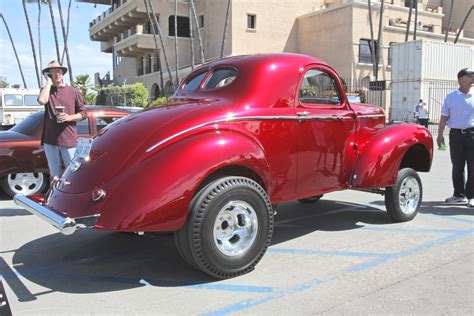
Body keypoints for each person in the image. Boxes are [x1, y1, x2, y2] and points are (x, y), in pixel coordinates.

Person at [38, 60, 86, 179]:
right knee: (54, 175)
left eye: (59, 71)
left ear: (62, 74)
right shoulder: (46, 91)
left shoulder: (73, 91)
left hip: (69, 139)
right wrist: (48, 82)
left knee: (72, 173)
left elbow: (83, 113)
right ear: (49, 75)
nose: (57, 74)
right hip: (50, 140)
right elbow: (42, 101)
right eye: (53, 72)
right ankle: (54, 197)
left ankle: (72, 197)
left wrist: (69, 117)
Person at [436, 68, 474, 207]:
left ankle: (471, 196)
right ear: (460, 79)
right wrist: (439, 135)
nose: (472, 79)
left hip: (472, 135)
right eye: (470, 76)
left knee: (473, 166)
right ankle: (459, 194)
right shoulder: (451, 97)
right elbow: (444, 117)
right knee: (457, 166)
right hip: (456, 135)